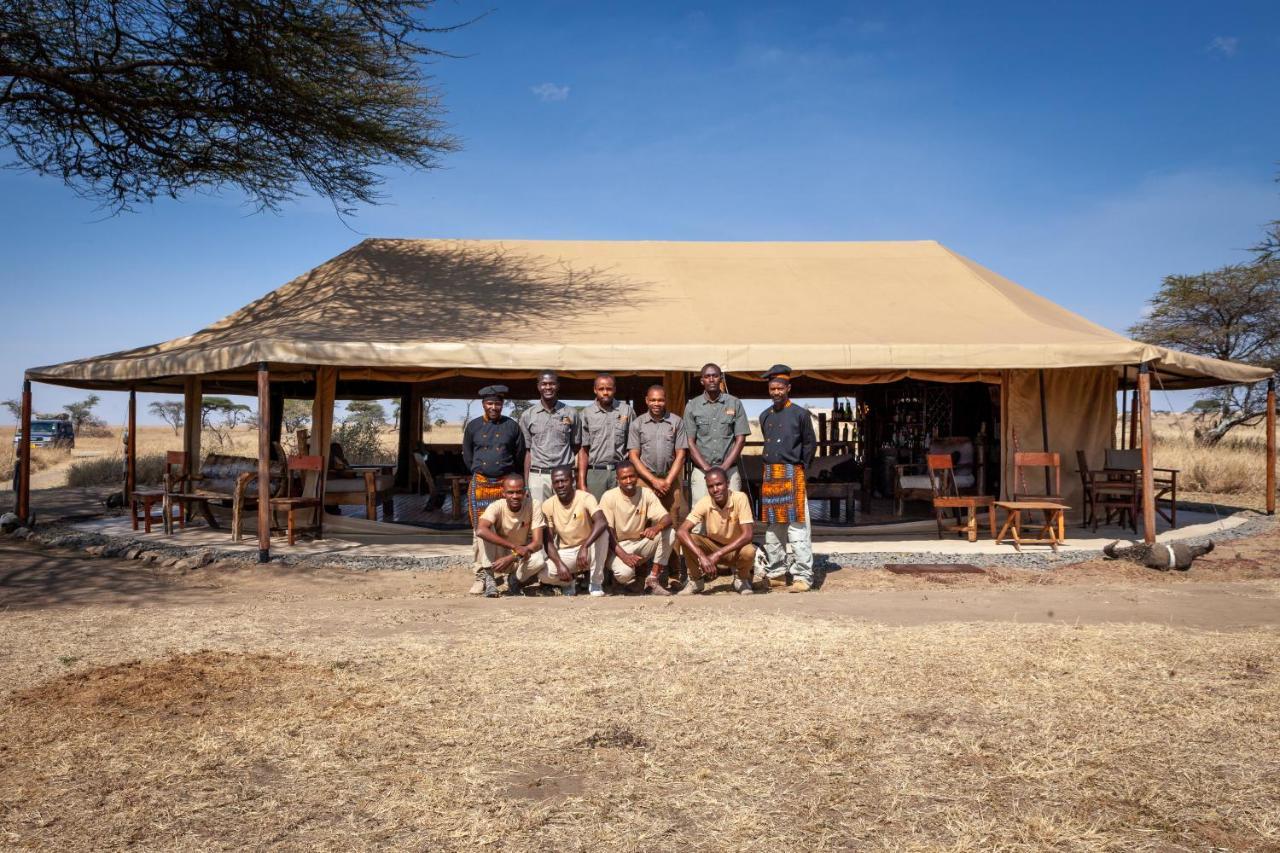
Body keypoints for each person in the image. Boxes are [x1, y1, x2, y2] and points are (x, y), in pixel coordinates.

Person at [757, 364, 818, 592]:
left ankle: (803, 576)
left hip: (793, 473)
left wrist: (801, 468)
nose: (776, 392)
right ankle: (777, 573)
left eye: (780, 388)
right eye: (772, 388)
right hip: (771, 475)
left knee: (798, 529)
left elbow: (810, 444)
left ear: (788, 388)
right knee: (774, 529)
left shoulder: (800, 414)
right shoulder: (764, 416)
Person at [627, 384, 689, 590]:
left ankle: (673, 573)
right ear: (646, 400)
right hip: (645, 480)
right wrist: (652, 481)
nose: (656, 404)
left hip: (670, 479)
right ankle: (642, 573)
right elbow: (633, 455)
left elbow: (681, 453)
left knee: (673, 524)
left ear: (666, 400)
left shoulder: (676, 422)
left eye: (660, 400)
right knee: (643, 525)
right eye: (652, 400)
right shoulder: (637, 424)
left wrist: (669, 481)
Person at [676, 467, 757, 595]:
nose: (715, 490)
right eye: (711, 486)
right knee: (687, 539)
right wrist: (702, 556)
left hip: (735, 549)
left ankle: (741, 579)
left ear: (728, 483)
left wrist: (718, 554)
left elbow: (748, 535)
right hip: (712, 547)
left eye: (719, 484)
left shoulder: (740, 498)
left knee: (749, 550)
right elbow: (681, 531)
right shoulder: (704, 502)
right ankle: (696, 580)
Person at [598, 459, 674, 595]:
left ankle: (652, 579)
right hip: (617, 547)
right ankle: (621, 582)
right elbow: (607, 533)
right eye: (624, 478)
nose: (628, 481)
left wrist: (656, 528)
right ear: (617, 480)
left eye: (631, 476)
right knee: (624, 574)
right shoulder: (609, 497)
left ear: (637, 477)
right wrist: (624, 556)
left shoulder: (646, 493)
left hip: (639, 544)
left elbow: (667, 518)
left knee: (670, 532)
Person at [684, 363, 750, 505]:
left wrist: (724, 468)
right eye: (707, 376)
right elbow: (690, 442)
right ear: (702, 381)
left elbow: (740, 439)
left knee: (732, 514)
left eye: (715, 376)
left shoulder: (734, 403)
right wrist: (707, 469)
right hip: (702, 471)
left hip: (729, 471)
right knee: (698, 518)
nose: (711, 379)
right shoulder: (692, 406)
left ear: (721, 378)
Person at [474, 473, 547, 598]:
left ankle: (514, 580)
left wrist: (513, 555)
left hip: (519, 556)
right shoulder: (497, 506)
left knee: (539, 560)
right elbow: (480, 530)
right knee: (486, 529)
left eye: (519, 492)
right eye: (510, 492)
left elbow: (538, 542)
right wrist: (513, 546)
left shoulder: (533, 505)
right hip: (498, 557)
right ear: (503, 493)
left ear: (525, 492)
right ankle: (489, 578)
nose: (515, 496)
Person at [462, 385, 525, 528]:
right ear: (483, 404)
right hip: (481, 482)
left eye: (497, 404)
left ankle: (507, 551)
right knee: (481, 526)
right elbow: (467, 454)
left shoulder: (511, 425)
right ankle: (481, 550)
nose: (493, 407)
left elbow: (519, 454)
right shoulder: (473, 426)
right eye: (490, 403)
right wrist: (478, 471)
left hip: (505, 484)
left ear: (502, 405)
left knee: (506, 526)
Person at [542, 465, 610, 596]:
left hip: (589, 549)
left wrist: (584, 547)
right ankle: (568, 582)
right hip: (567, 551)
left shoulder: (585, 497)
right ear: (552, 484)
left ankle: (595, 582)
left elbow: (601, 521)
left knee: (603, 533)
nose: (560, 485)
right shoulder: (548, 505)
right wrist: (559, 564)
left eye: (564, 480)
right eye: (556, 482)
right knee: (544, 574)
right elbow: (548, 541)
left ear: (573, 481)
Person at [520, 371, 582, 504]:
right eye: (544, 384)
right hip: (539, 476)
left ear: (558, 386)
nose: (548, 387)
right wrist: (526, 484)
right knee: (540, 519)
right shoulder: (528, 415)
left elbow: (575, 445)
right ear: (538, 386)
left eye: (552, 384)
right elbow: (527, 451)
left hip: (564, 476)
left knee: (567, 518)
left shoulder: (571, 413)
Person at [577, 372, 634, 500]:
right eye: (601, 389)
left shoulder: (626, 411)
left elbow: (633, 447)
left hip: (620, 473)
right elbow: (583, 450)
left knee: (621, 514)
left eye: (609, 388)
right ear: (595, 390)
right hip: (595, 473)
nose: (605, 392)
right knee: (596, 514)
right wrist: (581, 481)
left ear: (614, 389)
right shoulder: (587, 413)